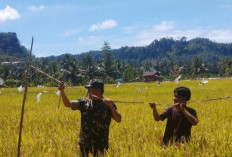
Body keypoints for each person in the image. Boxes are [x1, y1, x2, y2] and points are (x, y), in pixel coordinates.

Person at [58, 80, 122, 156]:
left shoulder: (107, 104)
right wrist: (62, 91)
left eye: (90, 89)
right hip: (85, 143)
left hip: (100, 143)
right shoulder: (84, 102)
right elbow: (68, 104)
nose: (88, 91)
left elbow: (118, 119)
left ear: (98, 90)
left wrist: (111, 106)